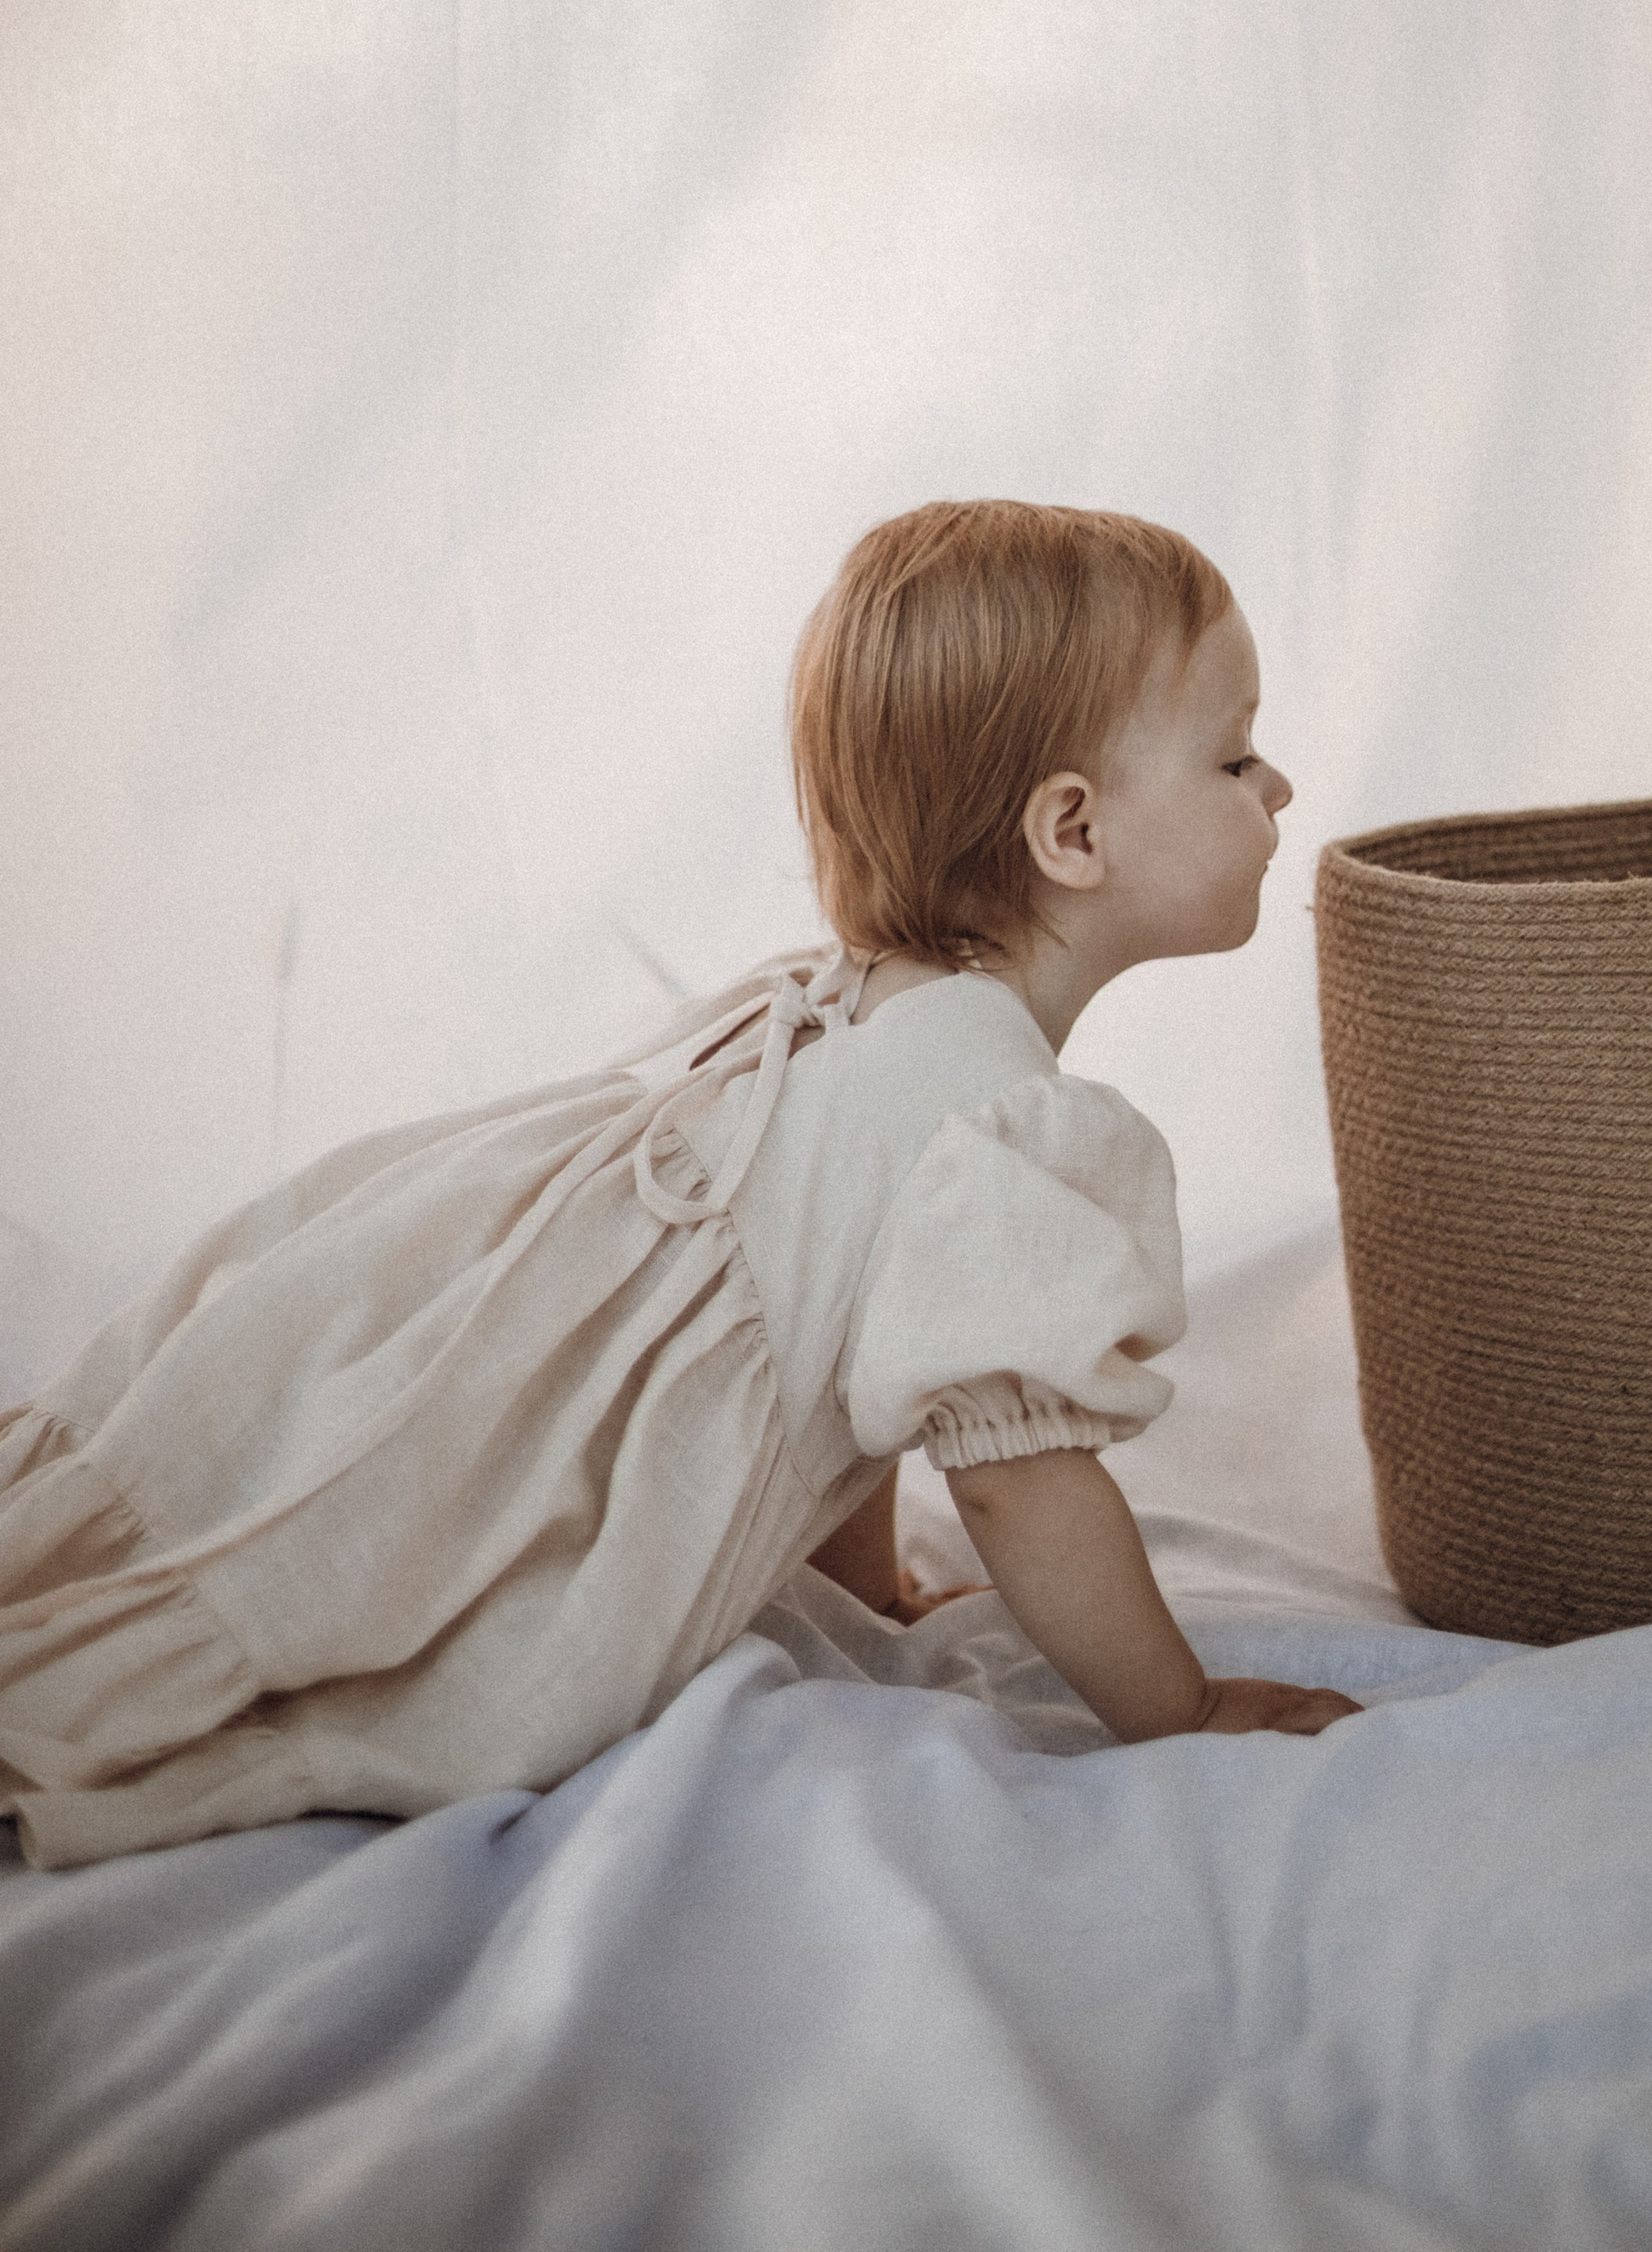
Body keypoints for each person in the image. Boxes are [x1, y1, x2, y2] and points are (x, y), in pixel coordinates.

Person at [0, 500, 1358, 1868]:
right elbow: (1017, 1473)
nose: (1279, 791)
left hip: (500, 1342)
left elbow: (864, 1352)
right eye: (1236, 757)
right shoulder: (999, 1119)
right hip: (529, 1427)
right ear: (1072, 832)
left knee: (252, 1517)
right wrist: (1178, 1706)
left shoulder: (874, 1005)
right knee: (353, 1611)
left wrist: (872, 1587)